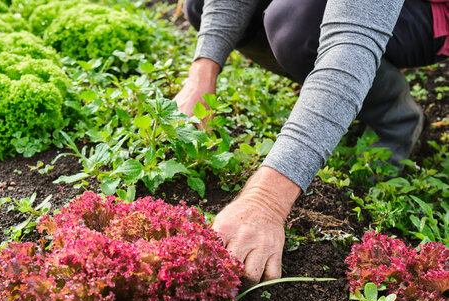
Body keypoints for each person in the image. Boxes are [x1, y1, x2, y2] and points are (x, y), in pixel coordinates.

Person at [174, 0, 448, 285]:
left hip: (430, 13)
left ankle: (396, 115)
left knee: (298, 28)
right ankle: (327, 91)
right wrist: (202, 74)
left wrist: (265, 202)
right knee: (203, 6)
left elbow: (349, 45)